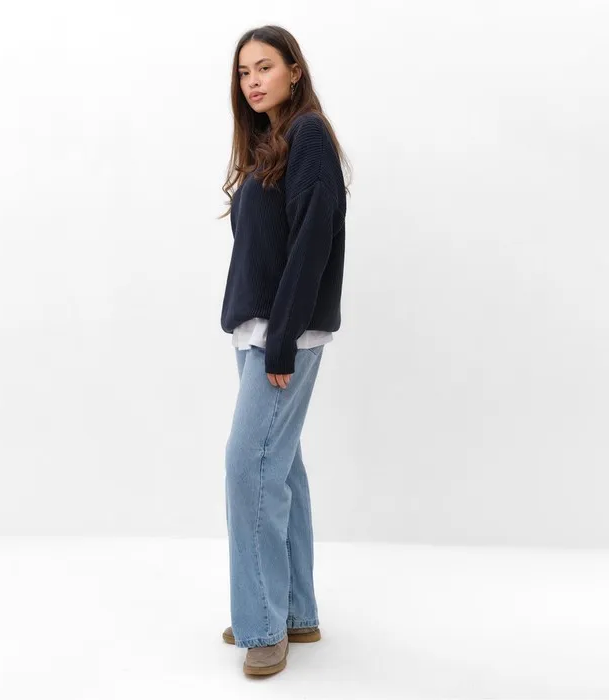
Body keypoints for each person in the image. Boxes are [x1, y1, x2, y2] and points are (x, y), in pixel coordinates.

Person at [218, 24, 351, 677]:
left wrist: (280, 345)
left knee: (249, 468)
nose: (253, 81)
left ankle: (262, 625)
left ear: (295, 70)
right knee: (282, 469)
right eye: (244, 72)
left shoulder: (309, 135)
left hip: (284, 336)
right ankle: (294, 612)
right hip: (258, 333)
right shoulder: (270, 143)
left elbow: (313, 241)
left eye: (265, 67)